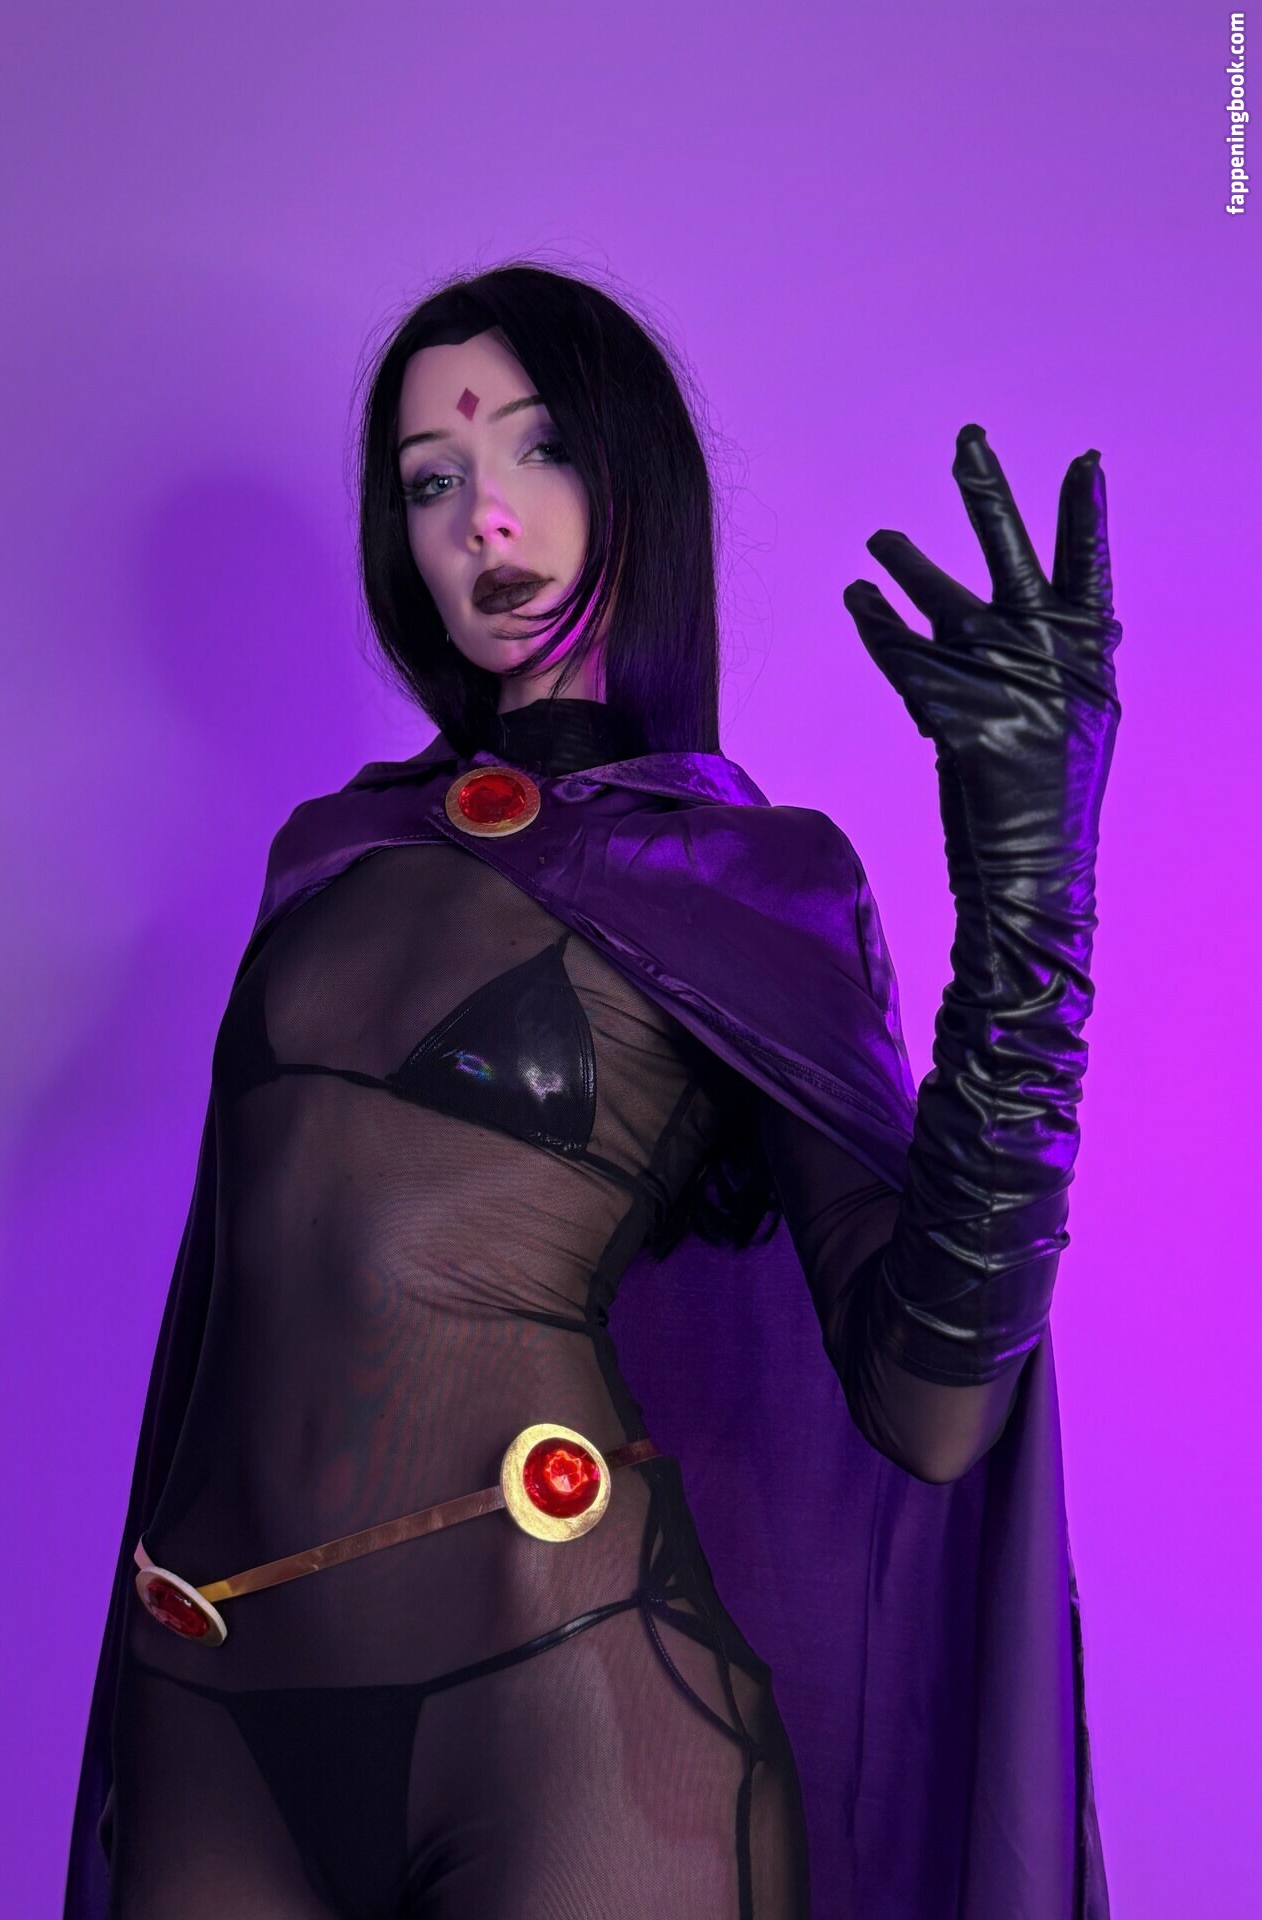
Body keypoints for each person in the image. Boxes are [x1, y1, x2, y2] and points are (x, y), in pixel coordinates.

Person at [65, 264, 1119, 1919]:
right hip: (210, 1697)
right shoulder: (326, 853)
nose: (485, 517)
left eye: (540, 448)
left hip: (569, 1723)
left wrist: (1031, 897)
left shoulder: (750, 883)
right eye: (431, 479)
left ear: (636, 475)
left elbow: (931, 1406)